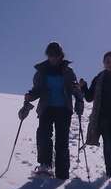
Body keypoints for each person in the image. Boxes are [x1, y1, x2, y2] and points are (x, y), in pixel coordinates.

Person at [20, 42, 84, 180]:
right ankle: (45, 165)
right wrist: (31, 95)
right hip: (46, 108)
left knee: (62, 141)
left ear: (60, 55)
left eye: (55, 55)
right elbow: (37, 89)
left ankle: (62, 173)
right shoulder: (42, 72)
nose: (53, 58)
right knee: (43, 136)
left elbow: (74, 88)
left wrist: (79, 100)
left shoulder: (68, 71)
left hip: (63, 109)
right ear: (48, 55)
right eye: (50, 55)